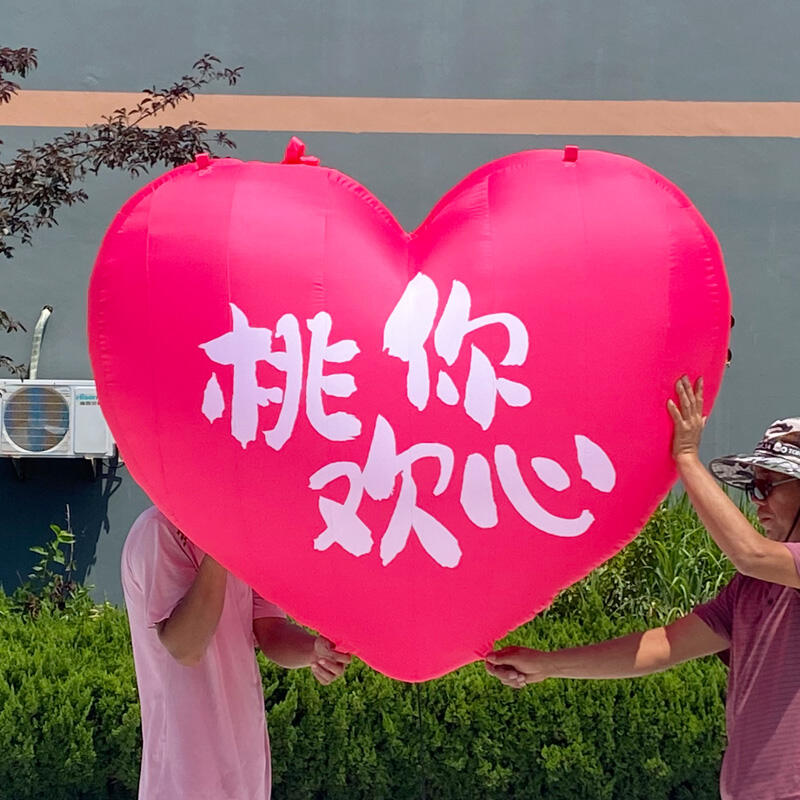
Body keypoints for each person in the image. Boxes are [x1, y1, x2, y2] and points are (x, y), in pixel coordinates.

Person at [486, 376, 800, 800]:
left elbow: (751, 553)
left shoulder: (763, 566)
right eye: (751, 487)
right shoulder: (752, 587)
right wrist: (548, 665)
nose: (756, 500)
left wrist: (687, 457)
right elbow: (664, 644)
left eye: (767, 486)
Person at [122, 506, 351, 800]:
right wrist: (220, 545)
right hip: (182, 775)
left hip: (247, 766)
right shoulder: (157, 530)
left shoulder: (245, 536)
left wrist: (313, 651)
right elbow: (186, 648)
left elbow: (270, 630)